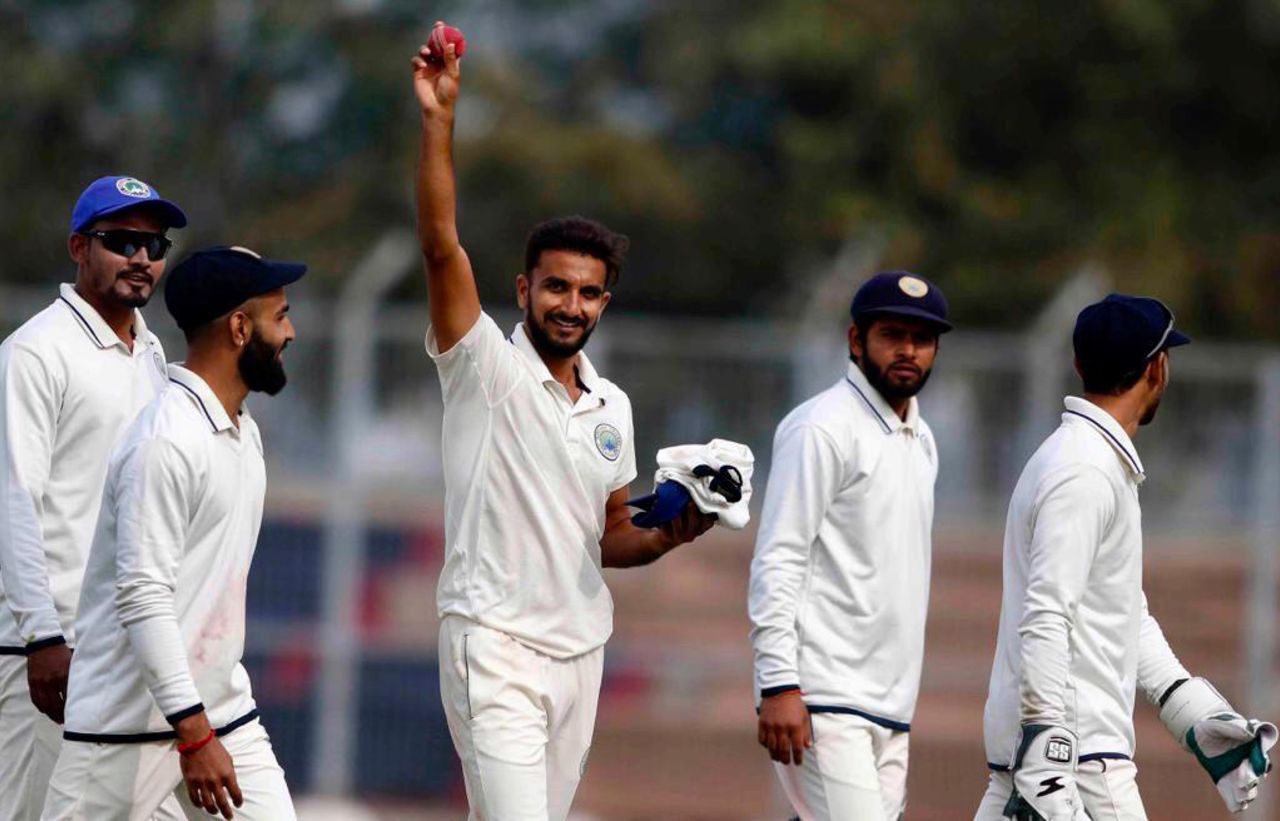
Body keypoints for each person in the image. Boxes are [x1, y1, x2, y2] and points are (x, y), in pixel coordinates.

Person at [412, 22, 717, 820]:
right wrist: (440, 120)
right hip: (493, 641)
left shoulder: (611, 405)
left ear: (604, 302)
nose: (570, 305)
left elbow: (611, 534)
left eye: (587, 293)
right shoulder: (483, 365)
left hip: (581, 652)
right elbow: (442, 246)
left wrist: (673, 533)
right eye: (556, 288)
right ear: (523, 289)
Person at [974, 295, 1276, 820]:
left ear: (1079, 366)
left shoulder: (1083, 459)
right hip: (1080, 769)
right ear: (1158, 368)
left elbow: (1121, 612)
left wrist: (1190, 710)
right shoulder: (1086, 471)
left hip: (1051, 762)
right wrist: (1049, 759)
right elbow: (1046, 614)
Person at [41, 246, 304, 821]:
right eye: (279, 315)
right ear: (239, 328)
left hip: (221, 712)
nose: (290, 332)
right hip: (125, 728)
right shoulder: (165, 441)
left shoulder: (242, 434)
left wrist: (202, 724)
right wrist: (192, 734)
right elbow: (142, 596)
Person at [0, 175, 187, 821]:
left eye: (153, 243)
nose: (141, 258)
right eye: (120, 241)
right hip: (49, 652)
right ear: (79, 247)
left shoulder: (152, 353)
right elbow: (14, 498)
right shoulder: (35, 351)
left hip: (121, 652)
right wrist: (41, 638)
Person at [749, 271, 952, 820]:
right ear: (856, 340)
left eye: (923, 338)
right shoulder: (822, 427)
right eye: (893, 335)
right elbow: (779, 556)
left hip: (890, 706)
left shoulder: (922, 438)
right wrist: (779, 684)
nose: (909, 351)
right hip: (822, 697)